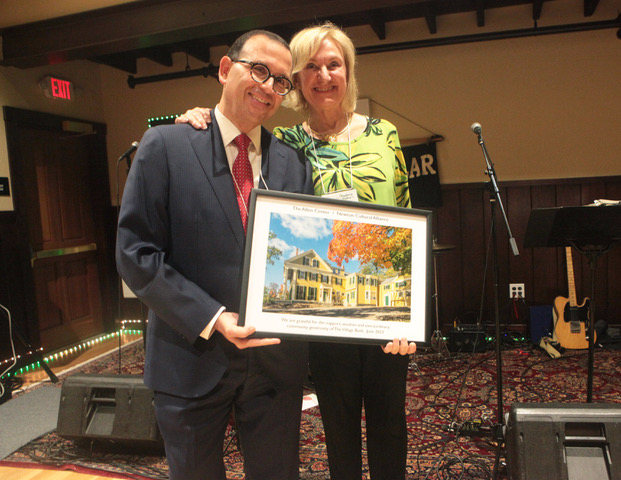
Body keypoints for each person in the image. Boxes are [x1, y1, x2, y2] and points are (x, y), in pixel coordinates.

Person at [176, 22, 417, 480]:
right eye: (311, 67)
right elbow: (232, 134)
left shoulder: (384, 134)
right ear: (297, 81)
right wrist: (199, 117)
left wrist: (413, 315)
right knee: (337, 426)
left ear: (348, 71)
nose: (324, 76)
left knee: (390, 422)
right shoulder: (286, 144)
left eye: (334, 65)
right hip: (322, 321)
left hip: (386, 313)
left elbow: (407, 218)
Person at [116, 30, 313, 480]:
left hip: (273, 366)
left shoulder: (293, 164)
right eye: (258, 70)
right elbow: (135, 253)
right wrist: (214, 317)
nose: (268, 86)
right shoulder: (165, 146)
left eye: (281, 81)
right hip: (190, 355)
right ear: (226, 69)